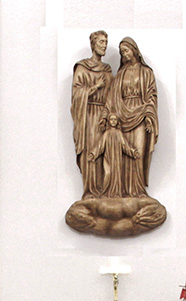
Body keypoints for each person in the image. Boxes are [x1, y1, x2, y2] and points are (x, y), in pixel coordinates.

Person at [107, 37, 158, 198]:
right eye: (122, 52)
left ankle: (137, 190)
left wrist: (149, 117)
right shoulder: (121, 74)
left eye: (126, 51)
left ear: (134, 50)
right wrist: (108, 114)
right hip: (123, 116)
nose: (124, 55)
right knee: (124, 152)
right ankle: (123, 190)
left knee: (138, 151)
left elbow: (151, 96)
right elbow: (113, 97)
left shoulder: (146, 72)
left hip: (140, 114)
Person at [71, 30, 113, 199]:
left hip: (103, 115)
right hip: (88, 115)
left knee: (104, 151)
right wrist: (95, 87)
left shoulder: (107, 70)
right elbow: (76, 94)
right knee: (90, 150)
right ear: (93, 44)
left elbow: (112, 95)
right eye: (101, 42)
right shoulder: (82, 68)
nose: (104, 45)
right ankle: (90, 191)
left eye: (106, 42)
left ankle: (105, 190)